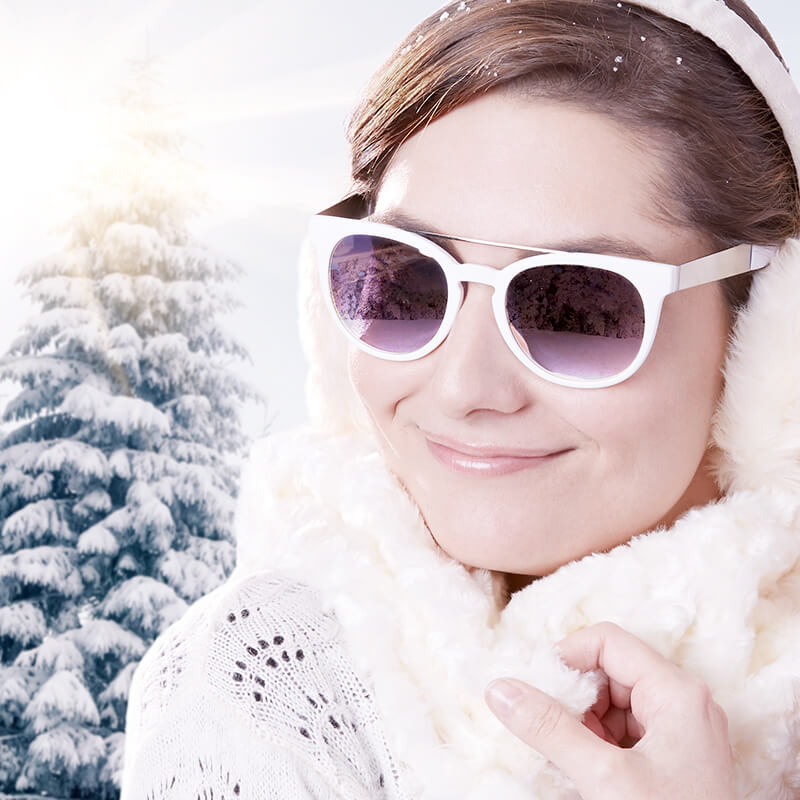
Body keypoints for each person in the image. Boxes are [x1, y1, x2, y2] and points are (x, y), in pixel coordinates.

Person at [120, 1, 800, 798]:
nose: (466, 388)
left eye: (577, 305)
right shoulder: (263, 681)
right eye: (405, 280)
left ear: (769, 337)